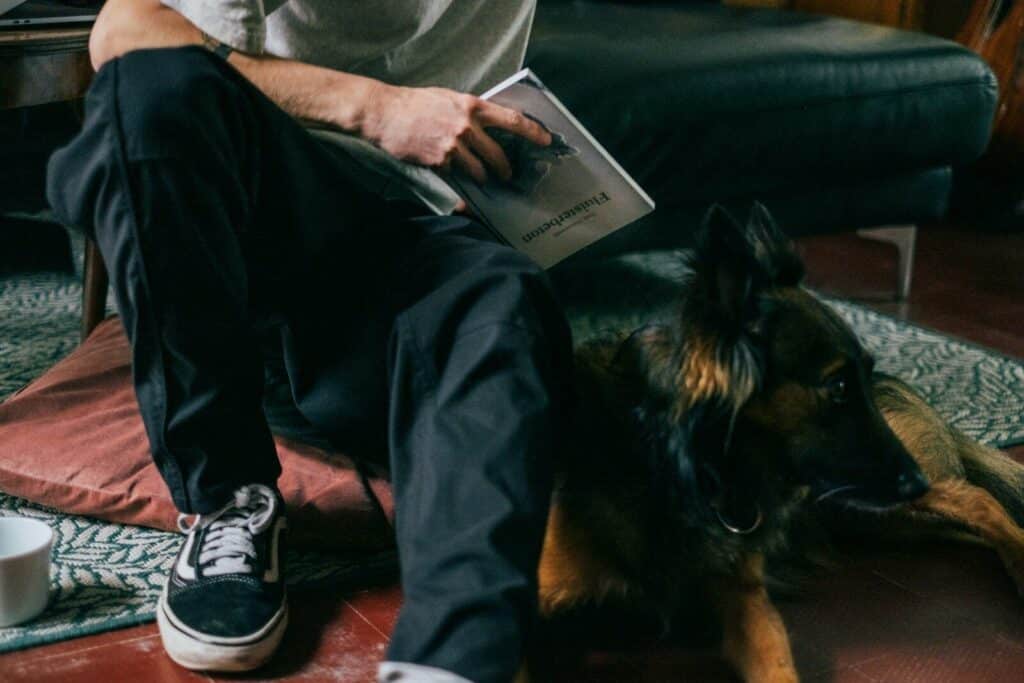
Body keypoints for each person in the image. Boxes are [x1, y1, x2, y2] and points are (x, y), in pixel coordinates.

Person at [45, 2, 574, 681]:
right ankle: (227, 499)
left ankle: (451, 661)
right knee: (147, 93)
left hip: (420, 239)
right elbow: (125, 31)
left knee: (505, 301)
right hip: (254, 240)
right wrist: (378, 109)